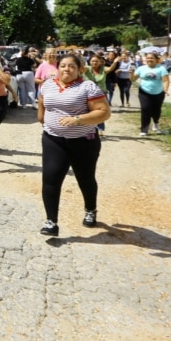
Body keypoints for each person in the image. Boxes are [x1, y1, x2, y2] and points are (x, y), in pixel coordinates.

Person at [37, 53, 110, 236]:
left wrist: (78, 119)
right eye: (63, 66)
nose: (66, 69)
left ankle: (90, 210)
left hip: (83, 142)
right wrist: (46, 123)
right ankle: (51, 222)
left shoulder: (88, 87)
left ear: (80, 70)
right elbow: (42, 107)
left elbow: (104, 113)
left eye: (71, 66)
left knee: (85, 179)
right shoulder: (47, 85)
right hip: (53, 140)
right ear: (57, 67)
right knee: (50, 180)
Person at [131, 52, 170, 136]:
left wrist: (165, 90)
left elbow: (166, 80)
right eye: (148, 58)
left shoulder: (161, 69)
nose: (149, 59)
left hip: (158, 93)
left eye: (152, 58)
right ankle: (144, 129)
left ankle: (156, 122)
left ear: (156, 59)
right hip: (144, 92)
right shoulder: (141, 68)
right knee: (145, 109)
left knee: (156, 110)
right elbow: (133, 79)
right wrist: (131, 74)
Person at [83, 53, 108, 135]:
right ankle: (89, 129)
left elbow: (110, 69)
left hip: (101, 94)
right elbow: (81, 68)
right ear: (89, 62)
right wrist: (78, 58)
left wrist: (115, 62)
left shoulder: (103, 69)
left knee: (100, 112)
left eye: (96, 61)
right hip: (87, 94)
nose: (94, 63)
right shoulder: (87, 69)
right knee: (88, 112)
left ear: (100, 62)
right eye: (92, 61)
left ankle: (100, 128)